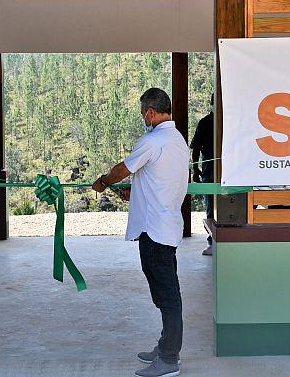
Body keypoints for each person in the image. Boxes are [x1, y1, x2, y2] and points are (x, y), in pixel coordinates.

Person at [93, 88, 188, 377]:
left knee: (168, 297)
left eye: (142, 114)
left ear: (150, 112)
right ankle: (165, 346)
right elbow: (158, 180)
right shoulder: (177, 140)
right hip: (165, 226)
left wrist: (103, 182)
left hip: (154, 231)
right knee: (164, 294)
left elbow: (122, 170)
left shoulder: (152, 140)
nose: (143, 119)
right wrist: (134, 192)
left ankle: (169, 360)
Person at [190, 95, 214, 256]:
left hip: (227, 172)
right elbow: (196, 148)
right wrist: (196, 169)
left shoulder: (230, 121)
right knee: (210, 207)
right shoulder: (205, 123)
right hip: (209, 171)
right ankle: (213, 241)